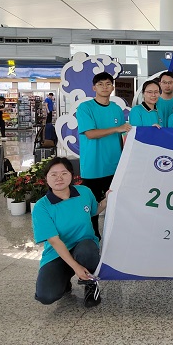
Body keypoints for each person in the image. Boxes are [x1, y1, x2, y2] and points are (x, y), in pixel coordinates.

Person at [32, 157, 107, 308]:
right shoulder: (42, 207)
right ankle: (65, 277)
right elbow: (54, 241)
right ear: (46, 178)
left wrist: (107, 200)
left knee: (87, 251)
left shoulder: (84, 192)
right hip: (57, 252)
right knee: (46, 296)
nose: (59, 178)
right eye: (53, 174)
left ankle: (91, 285)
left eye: (64, 173)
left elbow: (93, 211)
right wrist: (75, 266)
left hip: (84, 245)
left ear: (72, 175)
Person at [76, 72, 130, 239]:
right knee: (92, 208)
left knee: (115, 205)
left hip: (113, 166)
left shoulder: (116, 109)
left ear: (113, 87)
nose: (105, 87)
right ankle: (93, 238)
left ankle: (114, 238)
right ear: (94, 88)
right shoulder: (85, 108)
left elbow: (121, 137)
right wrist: (116, 129)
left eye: (108, 84)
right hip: (92, 167)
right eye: (100, 84)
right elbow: (90, 134)